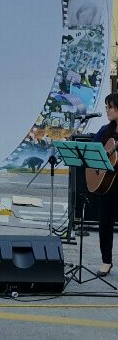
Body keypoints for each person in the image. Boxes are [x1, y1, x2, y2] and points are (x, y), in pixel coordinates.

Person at [93, 92, 118, 277]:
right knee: (105, 223)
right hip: (108, 185)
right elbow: (92, 150)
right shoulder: (105, 130)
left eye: (110, 107)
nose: (107, 110)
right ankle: (106, 261)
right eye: (107, 107)